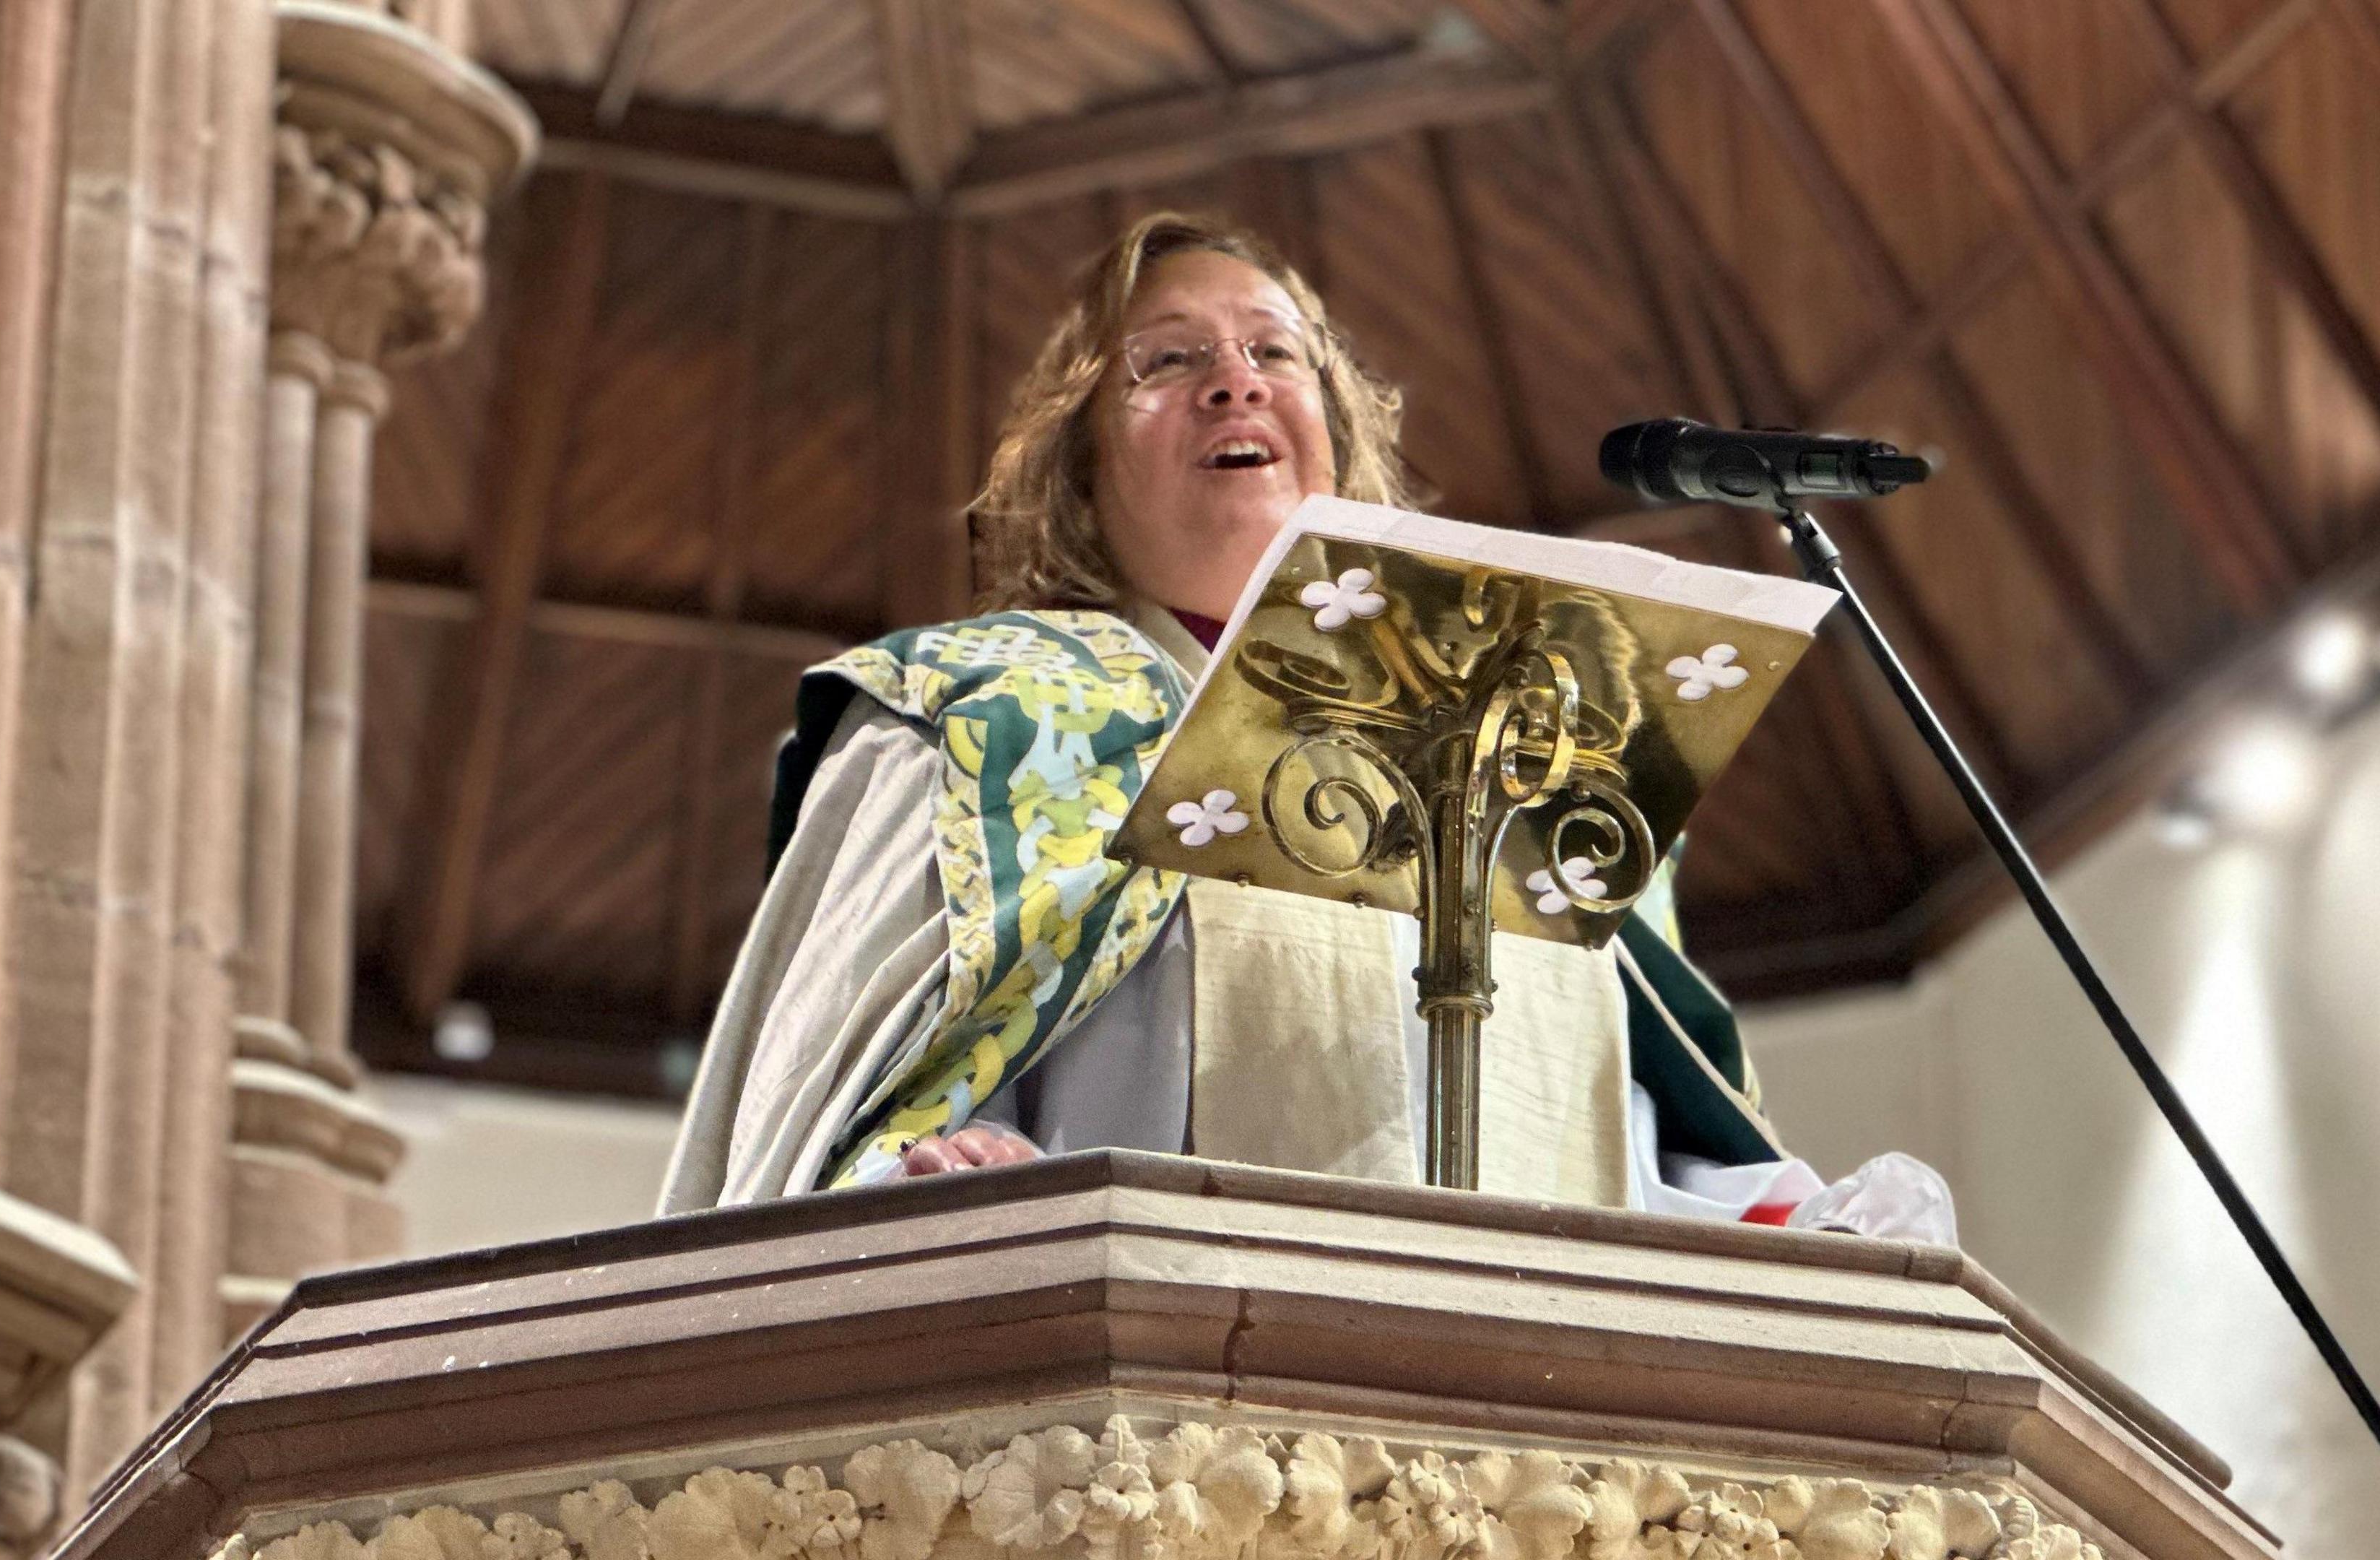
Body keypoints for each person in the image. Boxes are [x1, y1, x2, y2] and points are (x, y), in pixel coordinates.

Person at [658, 212, 1953, 1244]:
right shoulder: (979, 717)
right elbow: (883, 1110)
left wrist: (1782, 1218)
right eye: (1167, 361)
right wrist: (936, 1168)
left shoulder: (1538, 740)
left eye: (1276, 353)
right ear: (1081, 468)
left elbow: (1610, 1143)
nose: (1236, 383)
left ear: (1332, 426)